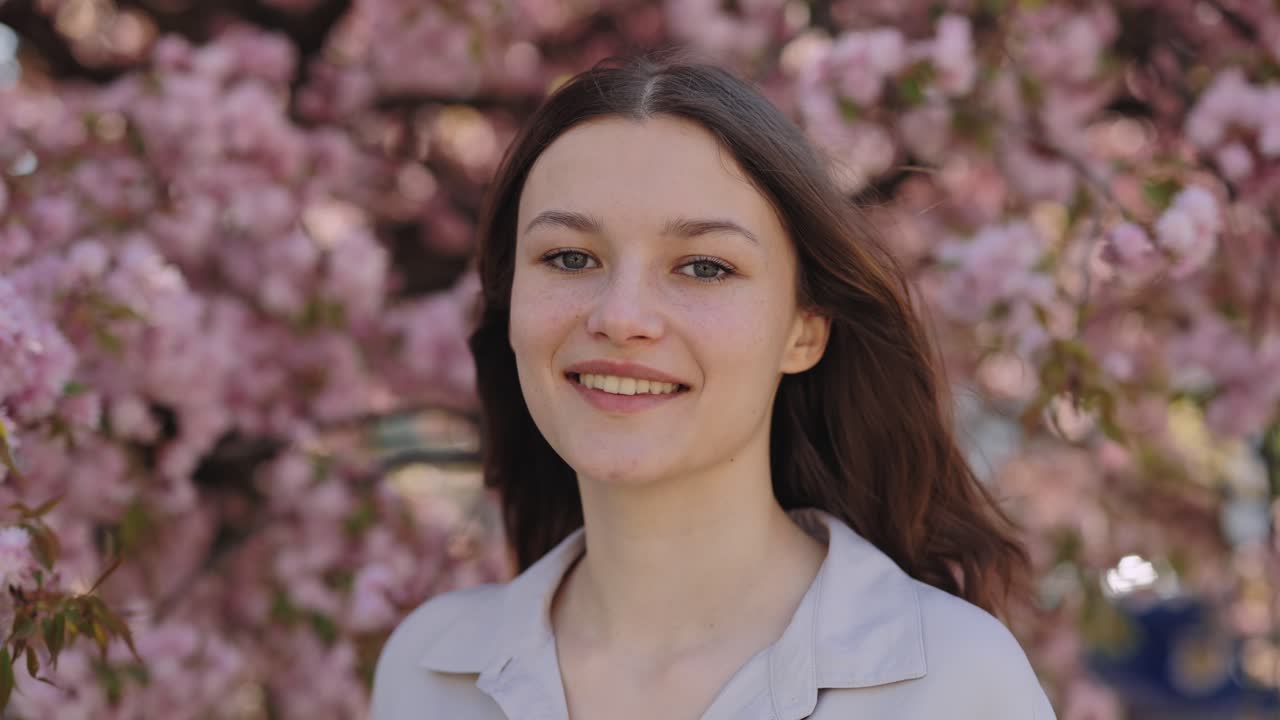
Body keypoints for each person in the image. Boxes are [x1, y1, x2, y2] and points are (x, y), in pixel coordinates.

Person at [371, 52, 1057, 720]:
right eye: (570, 257)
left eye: (704, 267)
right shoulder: (427, 673)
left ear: (803, 332)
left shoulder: (956, 685)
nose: (621, 317)